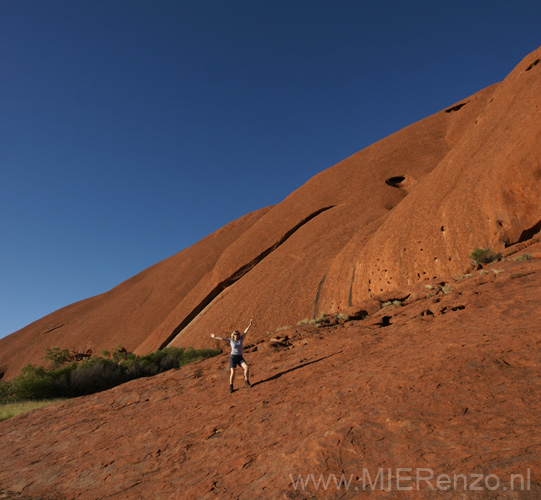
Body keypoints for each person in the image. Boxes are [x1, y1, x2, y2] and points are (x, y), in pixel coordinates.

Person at [211, 319, 253, 393]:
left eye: (237, 334)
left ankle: (246, 382)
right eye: (235, 334)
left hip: (240, 357)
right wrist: (215, 337)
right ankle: (231, 386)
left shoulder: (241, 339)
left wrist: (250, 324)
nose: (236, 335)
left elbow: (245, 332)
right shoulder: (231, 340)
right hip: (233, 357)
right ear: (233, 335)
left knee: (246, 367)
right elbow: (222, 339)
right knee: (233, 372)